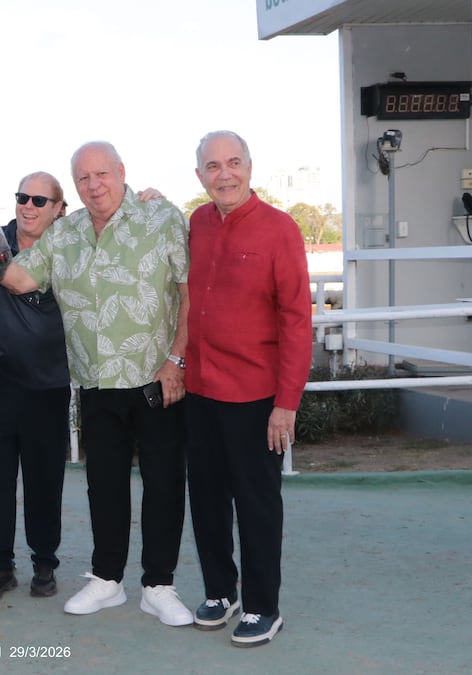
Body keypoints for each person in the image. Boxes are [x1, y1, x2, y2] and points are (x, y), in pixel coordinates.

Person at [0, 141, 194, 627]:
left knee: (164, 484)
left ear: (122, 173)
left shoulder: (162, 218)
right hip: (96, 381)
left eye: (102, 174)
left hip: (156, 378)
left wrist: (176, 360)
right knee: (104, 485)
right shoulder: (64, 236)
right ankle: (107, 580)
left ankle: (158, 585)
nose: (94, 185)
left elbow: (189, 295)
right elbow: (20, 279)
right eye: (83, 178)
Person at [185, 130, 312, 647]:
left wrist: (287, 405)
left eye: (233, 163)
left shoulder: (281, 230)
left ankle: (263, 605)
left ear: (250, 167)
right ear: (200, 177)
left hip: (256, 396)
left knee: (258, 505)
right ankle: (221, 591)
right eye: (212, 167)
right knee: (208, 500)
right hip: (200, 390)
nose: (224, 175)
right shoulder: (195, 222)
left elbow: (298, 322)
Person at [0, 173, 71, 604]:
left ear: (58, 209)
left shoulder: (70, 246)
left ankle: (44, 565)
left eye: (39, 200)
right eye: (22, 197)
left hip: (49, 385)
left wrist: (147, 200)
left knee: (45, 481)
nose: (28, 206)